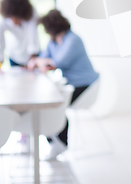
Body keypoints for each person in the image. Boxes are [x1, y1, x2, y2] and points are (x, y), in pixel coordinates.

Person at [28, 9, 100, 160]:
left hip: (85, 84)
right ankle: (54, 140)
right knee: (47, 103)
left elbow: (57, 62)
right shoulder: (54, 41)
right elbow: (44, 59)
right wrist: (41, 61)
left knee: (56, 105)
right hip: (70, 83)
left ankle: (60, 143)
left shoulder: (73, 39)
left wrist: (41, 62)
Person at [0, 0, 40, 67]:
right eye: (12, 18)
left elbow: (32, 35)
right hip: (14, 56)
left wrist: (32, 57)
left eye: (17, 18)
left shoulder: (32, 13)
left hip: (33, 56)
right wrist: (0, 59)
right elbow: (1, 42)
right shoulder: (3, 21)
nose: (14, 21)